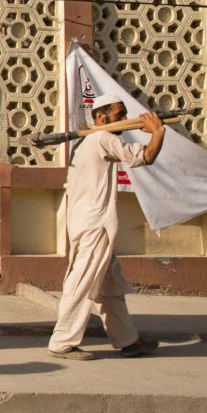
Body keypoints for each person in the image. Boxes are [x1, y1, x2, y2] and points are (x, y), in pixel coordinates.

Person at [48, 93, 166, 360]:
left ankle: (127, 339)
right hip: (94, 224)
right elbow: (146, 156)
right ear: (101, 117)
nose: (124, 119)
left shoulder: (88, 142)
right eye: (119, 114)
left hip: (89, 222)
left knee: (110, 288)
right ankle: (62, 341)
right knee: (81, 281)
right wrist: (157, 132)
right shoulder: (102, 138)